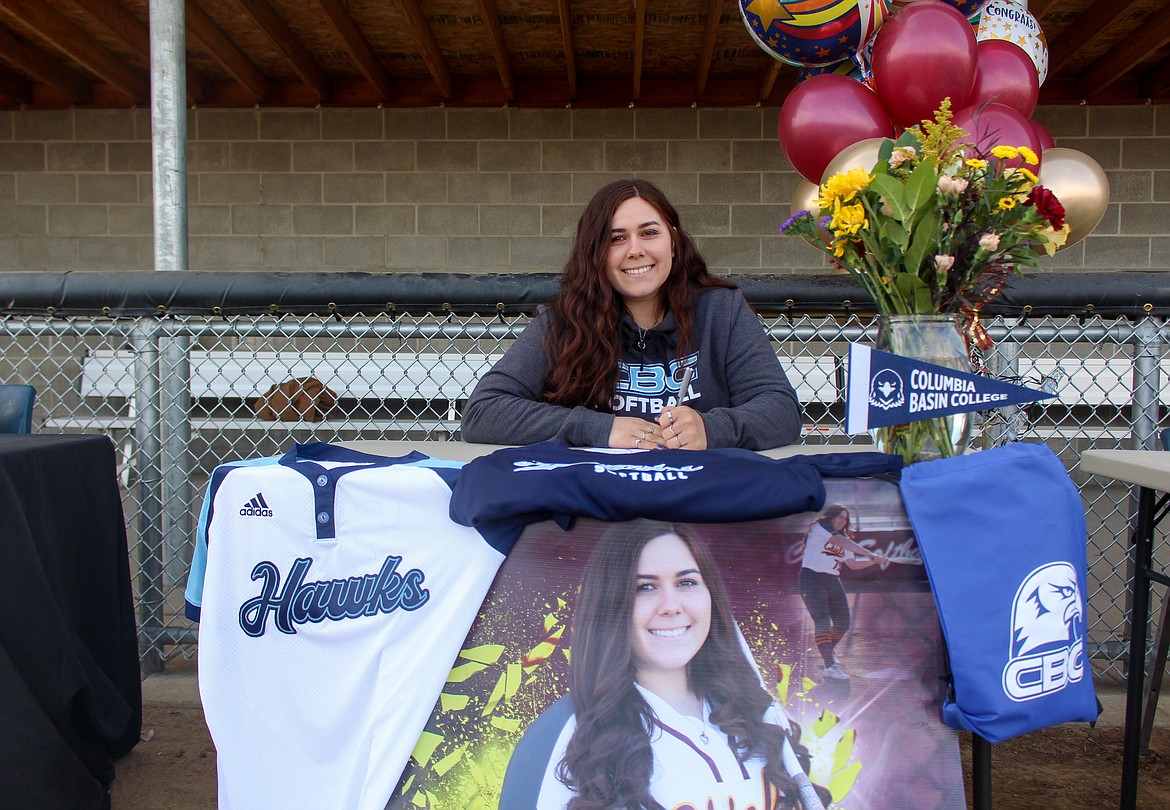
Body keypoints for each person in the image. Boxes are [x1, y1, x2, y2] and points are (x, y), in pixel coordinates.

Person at [504, 520, 827, 810]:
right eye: (645, 587)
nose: (671, 606)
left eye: (686, 582)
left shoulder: (759, 711)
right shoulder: (565, 733)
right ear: (608, 604)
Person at [460, 179, 801, 451]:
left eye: (649, 233)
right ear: (596, 254)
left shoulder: (721, 310)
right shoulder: (565, 320)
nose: (635, 250)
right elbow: (482, 413)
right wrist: (599, 428)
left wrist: (711, 429)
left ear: (673, 242)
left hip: (698, 503)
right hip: (598, 506)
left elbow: (781, 411)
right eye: (617, 238)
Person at [799, 504, 886, 681]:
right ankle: (830, 665)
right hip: (811, 579)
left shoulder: (844, 539)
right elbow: (841, 542)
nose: (843, 521)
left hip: (832, 580)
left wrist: (873, 561)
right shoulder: (820, 527)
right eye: (840, 517)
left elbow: (853, 564)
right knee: (822, 619)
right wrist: (869, 553)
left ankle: (828, 656)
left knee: (843, 623)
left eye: (845, 519)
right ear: (830, 517)